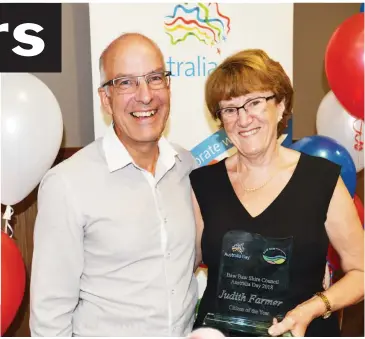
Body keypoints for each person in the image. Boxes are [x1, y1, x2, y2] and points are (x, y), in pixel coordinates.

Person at [30, 33, 198, 337]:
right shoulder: (67, 184)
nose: (145, 95)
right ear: (106, 99)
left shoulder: (186, 166)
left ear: (168, 86)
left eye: (155, 78)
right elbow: (49, 314)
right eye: (126, 83)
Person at [190, 49, 364, 337]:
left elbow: (361, 272)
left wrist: (311, 309)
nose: (243, 119)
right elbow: (181, 267)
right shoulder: (203, 184)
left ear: (281, 105)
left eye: (254, 102)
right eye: (229, 109)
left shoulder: (321, 179)